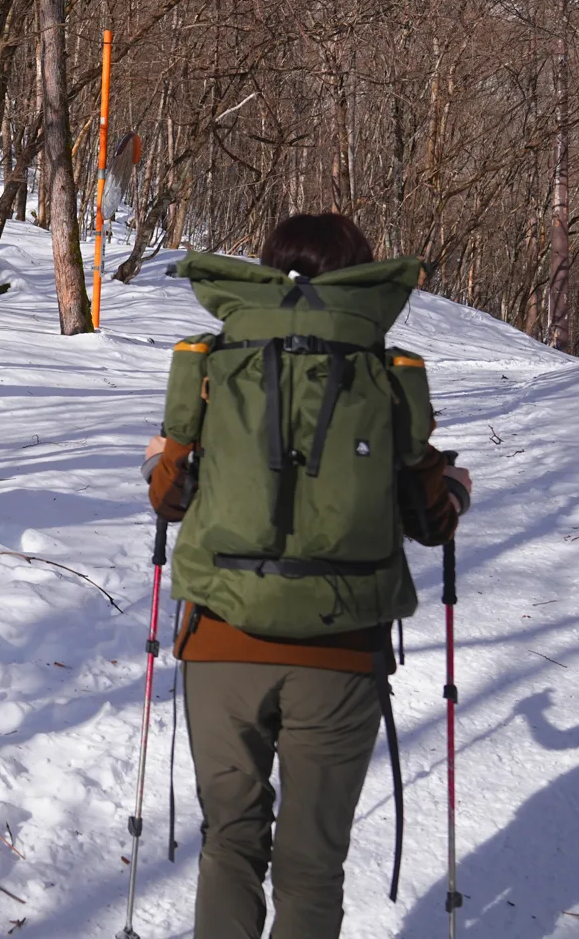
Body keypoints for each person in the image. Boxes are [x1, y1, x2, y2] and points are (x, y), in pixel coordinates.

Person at [141, 213, 471, 939]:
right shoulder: (385, 373)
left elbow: (169, 496)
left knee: (230, 841)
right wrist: (456, 488)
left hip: (221, 644)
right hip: (342, 651)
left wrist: (165, 461)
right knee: (313, 862)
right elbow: (429, 519)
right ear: (357, 277)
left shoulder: (216, 365)